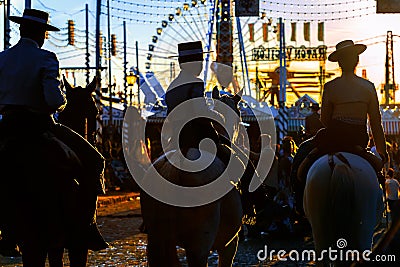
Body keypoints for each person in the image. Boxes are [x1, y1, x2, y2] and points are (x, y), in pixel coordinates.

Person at [0, 8, 107, 266]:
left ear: (21, 30)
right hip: (39, 126)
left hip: (7, 127)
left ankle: (6, 231)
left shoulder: (2, 58)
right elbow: (54, 100)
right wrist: (60, 102)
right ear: (42, 34)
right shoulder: (46, 58)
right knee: (95, 161)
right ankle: (86, 225)